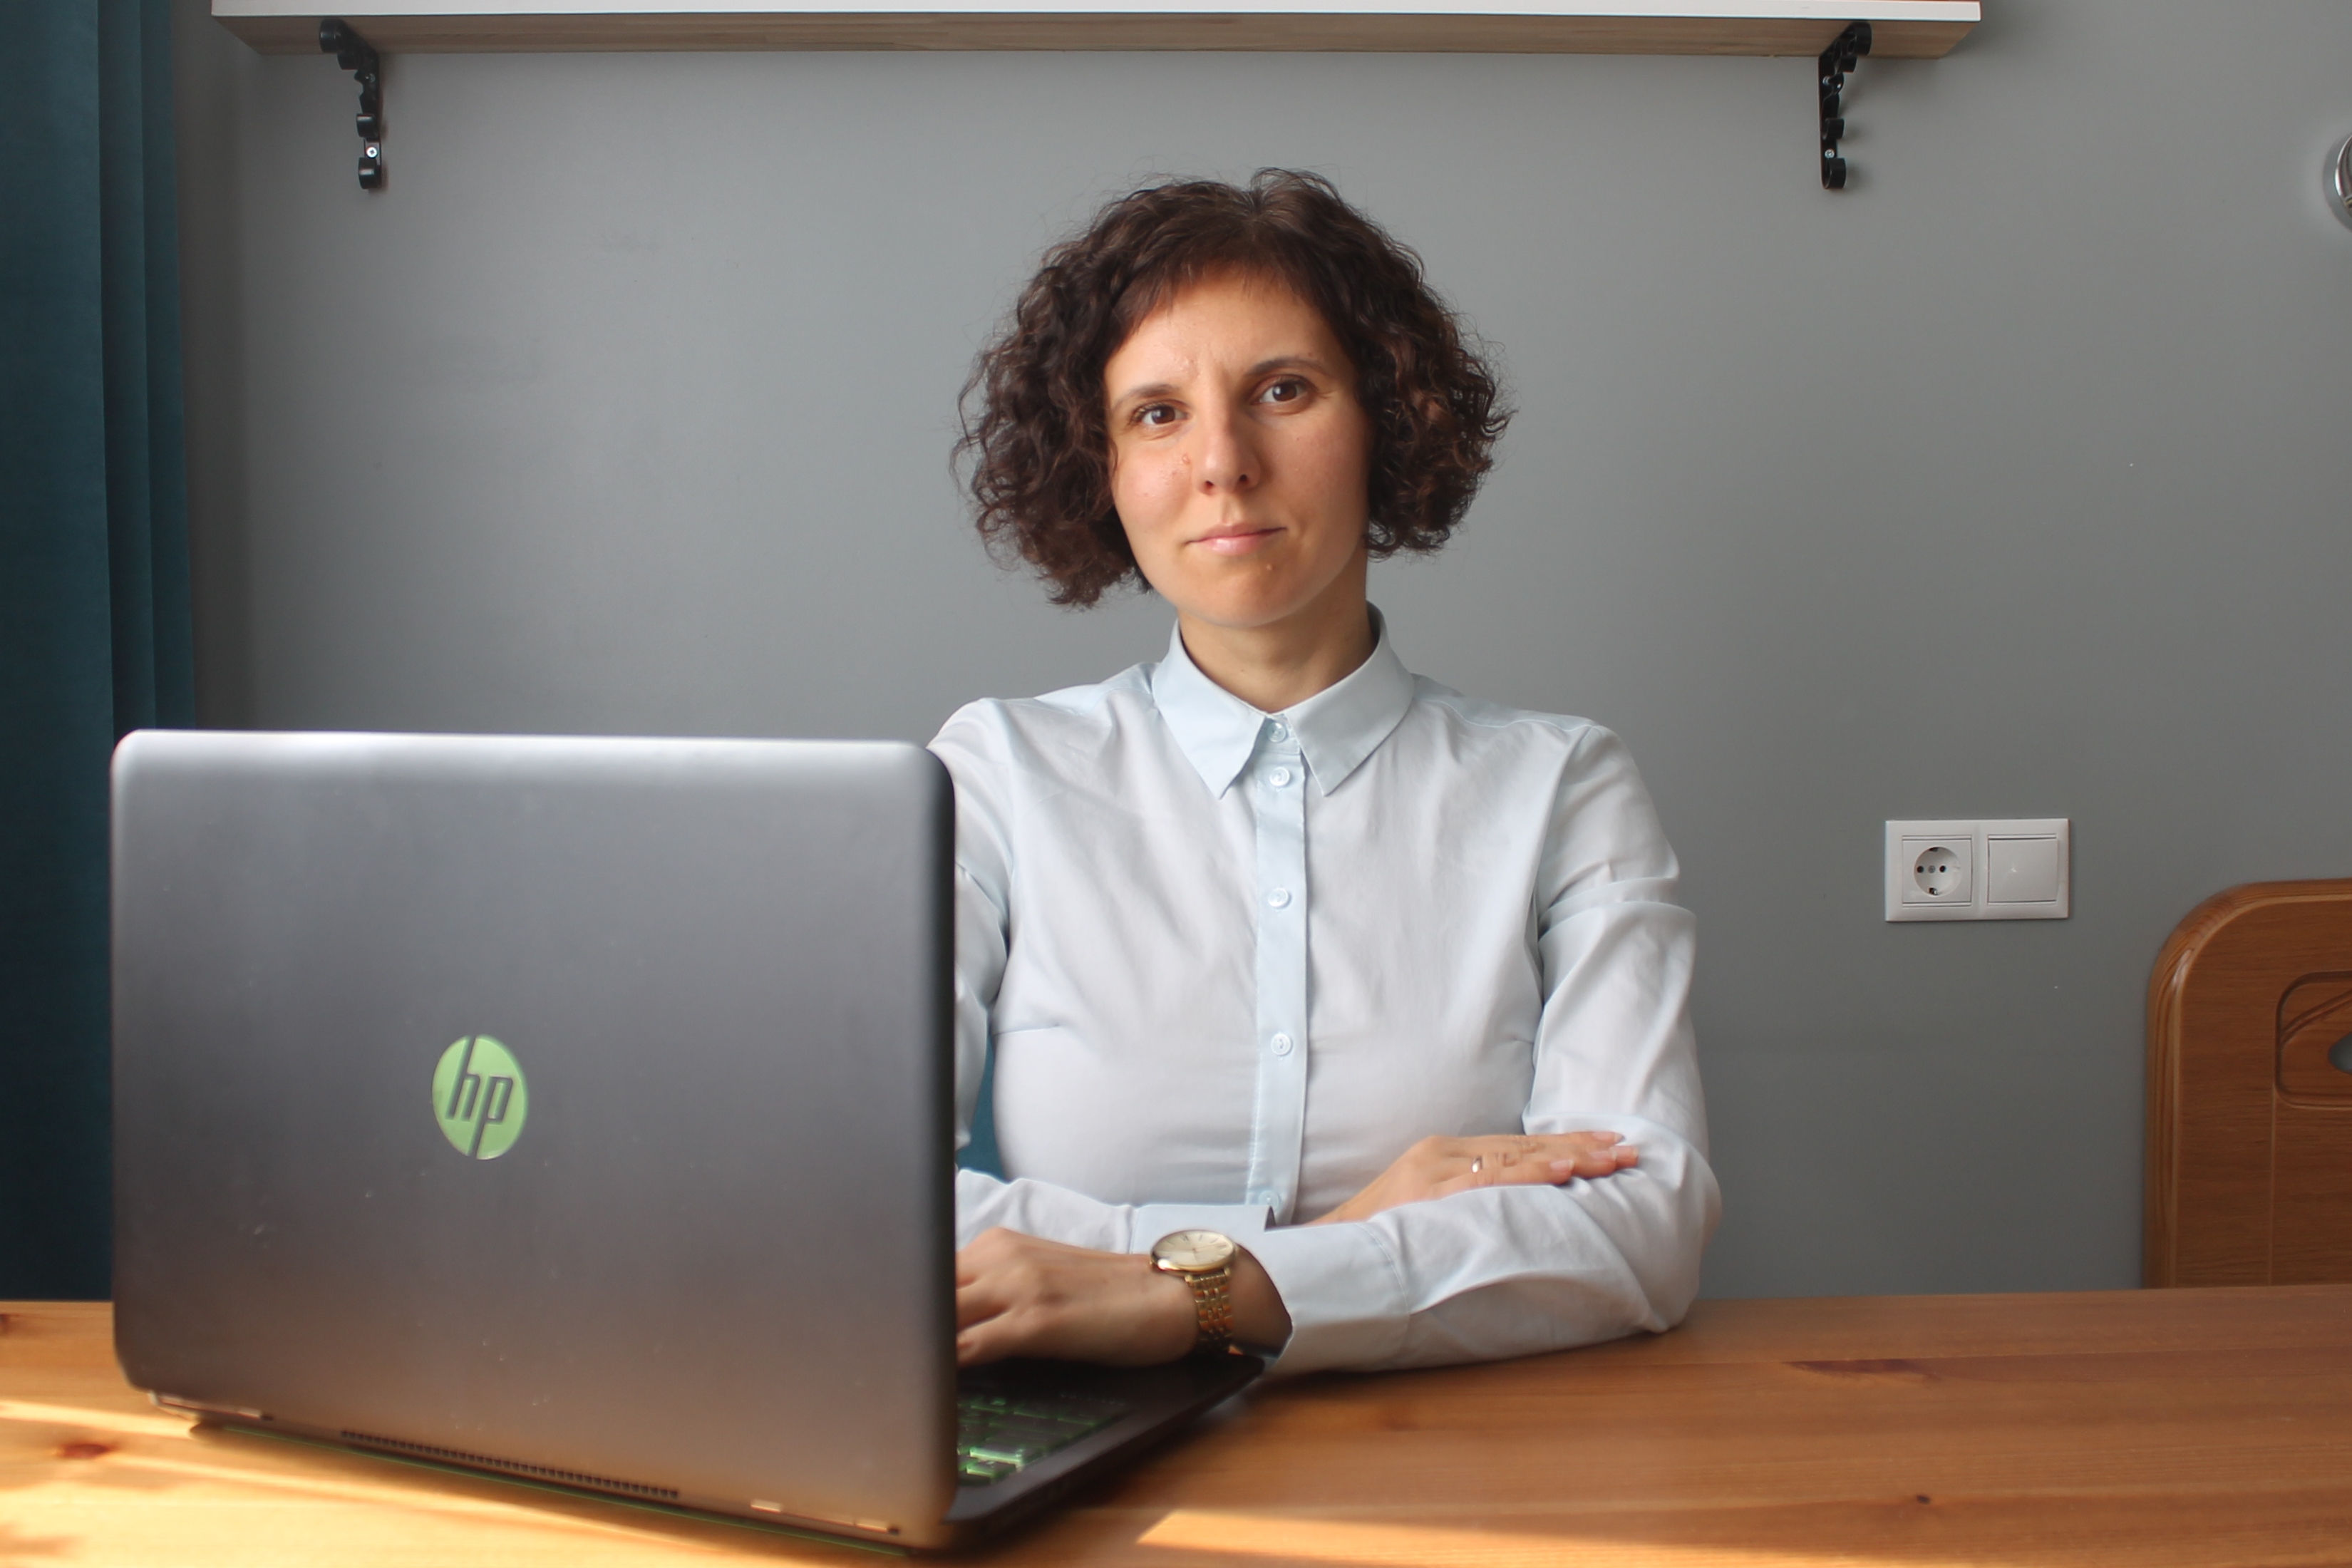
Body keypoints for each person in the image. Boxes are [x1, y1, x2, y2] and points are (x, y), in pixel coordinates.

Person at [934, 170, 1716, 1378]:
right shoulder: (994, 776)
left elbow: (1644, 1225)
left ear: (1386, 421)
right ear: (1103, 465)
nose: (1223, 462)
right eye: (1157, 413)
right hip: (1068, 1447)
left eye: (1282, 391)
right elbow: (865, 1200)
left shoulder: (1565, 787)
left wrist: (1203, 1294)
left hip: (1468, 1453)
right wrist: (1331, 1247)